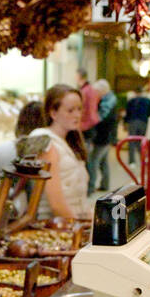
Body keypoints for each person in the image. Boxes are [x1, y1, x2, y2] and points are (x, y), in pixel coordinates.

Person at [31, 86, 92, 220]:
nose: (77, 115)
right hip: (56, 224)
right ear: (53, 113)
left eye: (79, 109)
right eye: (70, 110)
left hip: (75, 221)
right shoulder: (46, 141)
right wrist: (78, 225)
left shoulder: (72, 143)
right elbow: (56, 205)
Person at [87, 79, 118, 195]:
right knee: (103, 162)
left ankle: (90, 187)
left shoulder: (106, 103)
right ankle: (105, 184)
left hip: (103, 137)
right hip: (107, 137)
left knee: (93, 161)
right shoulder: (110, 100)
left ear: (102, 91)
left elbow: (100, 120)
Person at [77, 69, 100, 137]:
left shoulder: (84, 91)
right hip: (93, 121)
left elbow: (82, 108)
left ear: (79, 76)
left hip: (86, 124)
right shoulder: (92, 89)